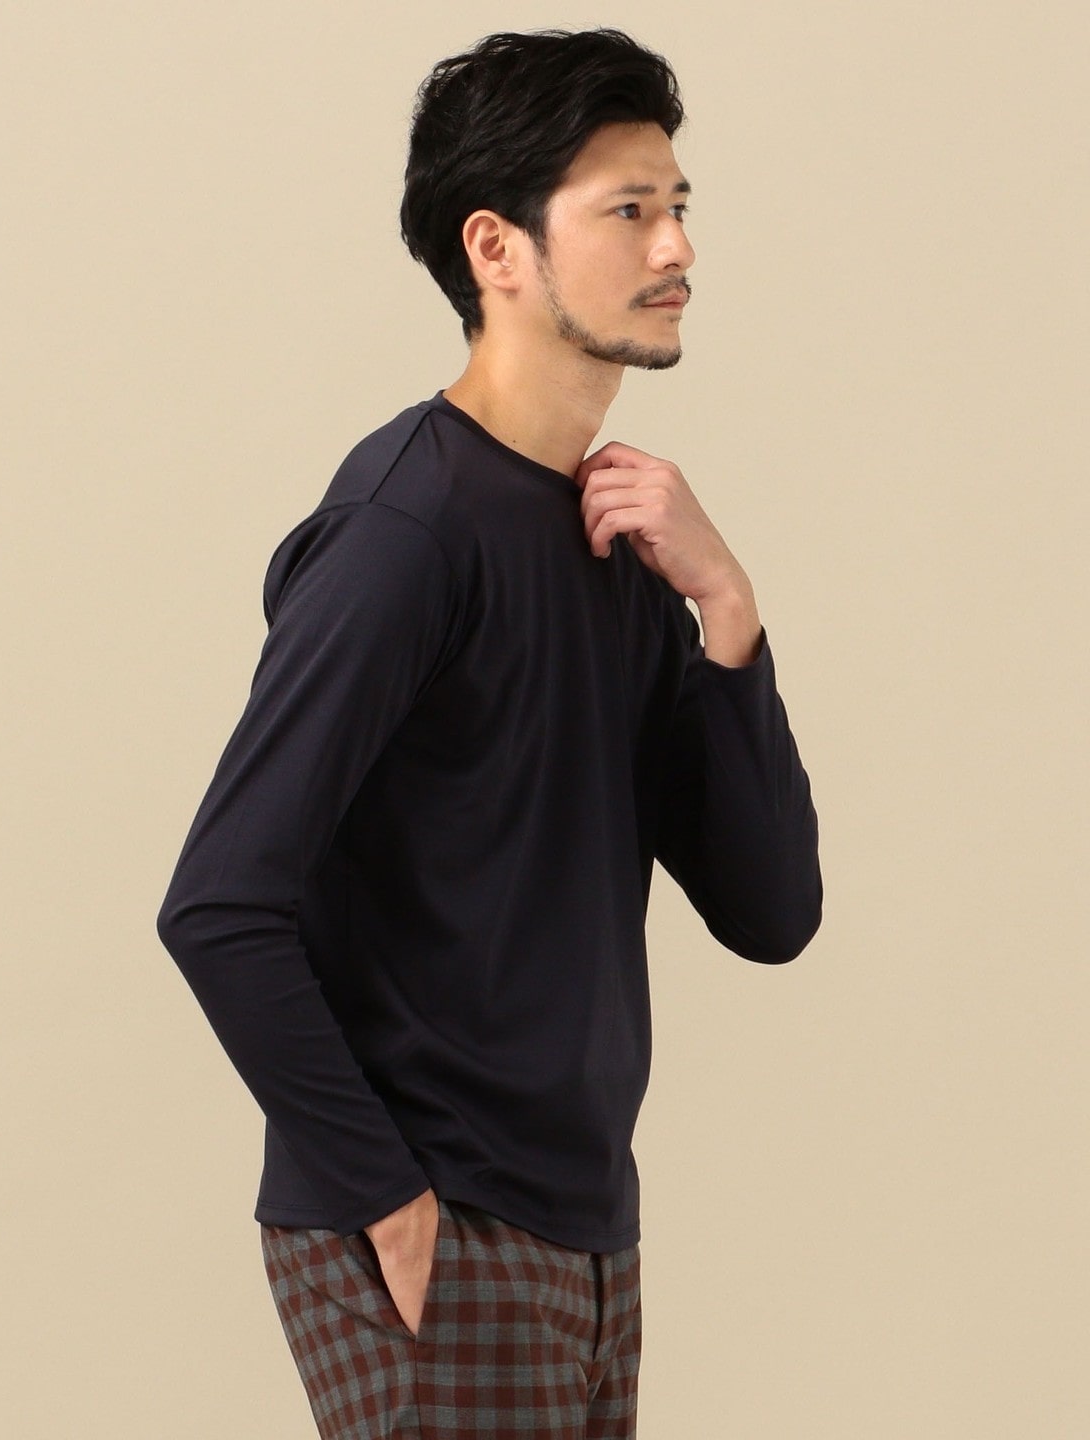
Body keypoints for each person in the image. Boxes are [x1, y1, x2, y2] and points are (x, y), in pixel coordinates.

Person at [156, 26, 822, 1440]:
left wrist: (727, 609)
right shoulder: (405, 533)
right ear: (495, 248)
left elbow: (772, 913)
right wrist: (385, 1198)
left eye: (679, 205)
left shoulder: (619, 543)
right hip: (440, 1222)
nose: (677, 248)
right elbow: (219, 902)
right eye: (629, 210)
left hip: (587, 1225)